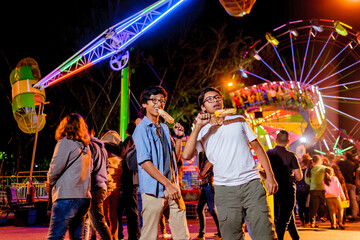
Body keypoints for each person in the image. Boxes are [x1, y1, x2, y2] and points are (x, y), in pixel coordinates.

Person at [182, 87, 278, 240]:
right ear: (202, 107)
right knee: (231, 236)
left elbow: (258, 147)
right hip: (224, 190)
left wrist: (270, 177)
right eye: (209, 99)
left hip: (251, 184)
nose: (215, 101)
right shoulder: (202, 129)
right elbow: (186, 155)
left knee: (265, 234)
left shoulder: (239, 120)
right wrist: (198, 126)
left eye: (217, 97)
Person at [133, 86, 190, 240]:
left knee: (182, 235)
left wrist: (179, 138)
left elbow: (175, 159)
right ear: (145, 104)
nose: (159, 104)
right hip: (154, 191)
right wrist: (168, 185)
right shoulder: (141, 129)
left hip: (173, 188)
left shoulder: (164, 128)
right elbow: (145, 162)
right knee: (149, 236)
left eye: (162, 101)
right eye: (154, 100)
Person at [46, 113, 91, 240]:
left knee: (55, 236)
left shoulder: (65, 143)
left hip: (66, 196)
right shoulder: (85, 147)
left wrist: (49, 183)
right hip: (83, 197)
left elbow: (55, 168)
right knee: (77, 236)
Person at [267, 130, 302, 240]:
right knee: (284, 219)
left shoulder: (269, 153)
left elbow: (262, 171)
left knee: (287, 217)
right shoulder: (291, 155)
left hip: (275, 189)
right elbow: (299, 176)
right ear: (288, 141)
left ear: (276, 140)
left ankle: (296, 238)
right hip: (288, 189)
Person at [84, 124, 112, 240]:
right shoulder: (102, 148)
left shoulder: (88, 146)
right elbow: (106, 167)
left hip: (93, 187)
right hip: (102, 185)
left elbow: (88, 168)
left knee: (98, 222)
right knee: (86, 219)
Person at [118, 121, 141, 240]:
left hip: (127, 180)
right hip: (133, 180)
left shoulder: (128, 142)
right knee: (132, 211)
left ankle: (133, 236)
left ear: (127, 131)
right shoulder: (138, 142)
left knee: (129, 211)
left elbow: (123, 156)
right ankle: (134, 236)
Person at [193, 152, 221, 240]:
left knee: (212, 210)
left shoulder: (210, 158)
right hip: (205, 186)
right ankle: (201, 234)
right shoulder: (204, 159)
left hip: (209, 185)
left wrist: (201, 174)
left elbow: (203, 172)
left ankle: (221, 233)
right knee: (199, 209)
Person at [101, 130, 123, 240]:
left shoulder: (104, 157)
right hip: (116, 189)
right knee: (113, 215)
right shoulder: (120, 159)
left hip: (105, 189)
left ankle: (104, 236)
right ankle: (115, 236)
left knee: (104, 215)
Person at [305, 155, 328, 228]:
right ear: (319, 160)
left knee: (313, 207)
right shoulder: (323, 168)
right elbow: (331, 173)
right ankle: (332, 221)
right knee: (325, 205)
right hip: (323, 189)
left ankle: (312, 222)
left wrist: (311, 184)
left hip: (313, 189)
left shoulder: (309, 168)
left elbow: (307, 181)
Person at [337, 152, 359, 220]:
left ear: (346, 156)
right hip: (352, 182)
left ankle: (343, 214)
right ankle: (354, 214)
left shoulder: (342, 163)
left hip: (344, 182)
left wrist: (338, 157)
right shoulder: (353, 164)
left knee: (344, 198)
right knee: (353, 200)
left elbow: (334, 164)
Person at [296, 154, 311, 227]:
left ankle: (302, 221)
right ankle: (307, 221)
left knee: (300, 206)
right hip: (307, 188)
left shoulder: (299, 170)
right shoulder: (309, 170)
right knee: (306, 206)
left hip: (298, 188)